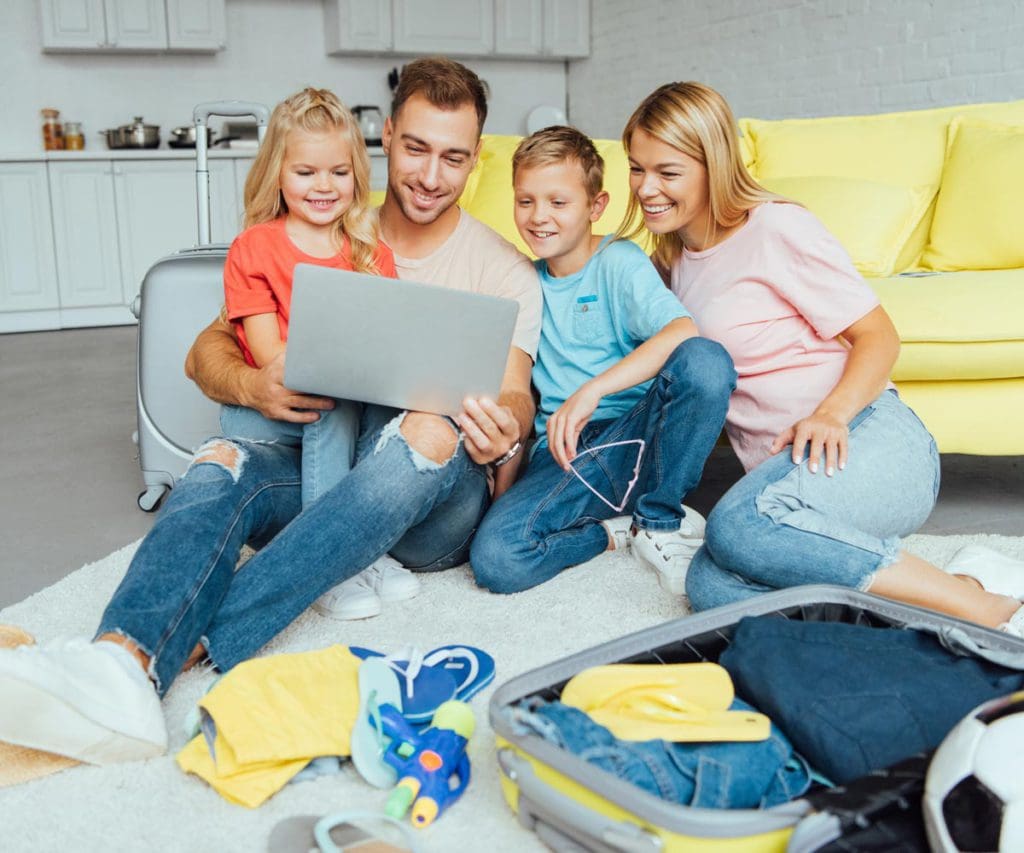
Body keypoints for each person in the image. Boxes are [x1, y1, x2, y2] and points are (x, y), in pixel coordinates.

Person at [0, 58, 542, 766]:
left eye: (454, 157)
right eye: (415, 149)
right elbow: (205, 354)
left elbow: (515, 393)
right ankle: (121, 664)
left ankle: (197, 639)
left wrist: (507, 423)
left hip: (428, 503)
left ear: (476, 158)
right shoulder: (329, 222)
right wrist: (257, 387)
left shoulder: (502, 268)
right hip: (324, 468)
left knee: (428, 426)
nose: (431, 175)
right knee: (220, 460)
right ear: (383, 138)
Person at [619, 81, 1024, 637]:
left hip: (871, 442)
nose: (646, 188)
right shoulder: (671, 261)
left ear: (713, 165)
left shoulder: (775, 227)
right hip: (788, 480)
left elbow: (879, 336)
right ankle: (942, 597)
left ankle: (985, 609)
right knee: (708, 585)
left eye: (667, 172)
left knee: (733, 529)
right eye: (636, 169)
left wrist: (831, 413)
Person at [470, 126, 735, 596]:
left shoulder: (618, 261)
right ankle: (614, 532)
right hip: (569, 455)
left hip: (634, 431)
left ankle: (659, 521)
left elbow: (682, 332)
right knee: (498, 558)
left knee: (705, 360)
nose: (537, 217)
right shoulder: (521, 282)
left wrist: (592, 390)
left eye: (558, 202)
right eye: (525, 201)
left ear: (595, 207)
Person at [219, 87, 396, 512]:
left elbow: (383, 345)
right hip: (264, 409)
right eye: (305, 172)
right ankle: (329, 553)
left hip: (350, 405)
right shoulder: (254, 247)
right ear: (277, 173)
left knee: (383, 415)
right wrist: (345, 374)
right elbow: (268, 354)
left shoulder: (371, 251)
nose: (324, 185)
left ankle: (364, 537)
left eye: (339, 172)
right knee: (330, 405)